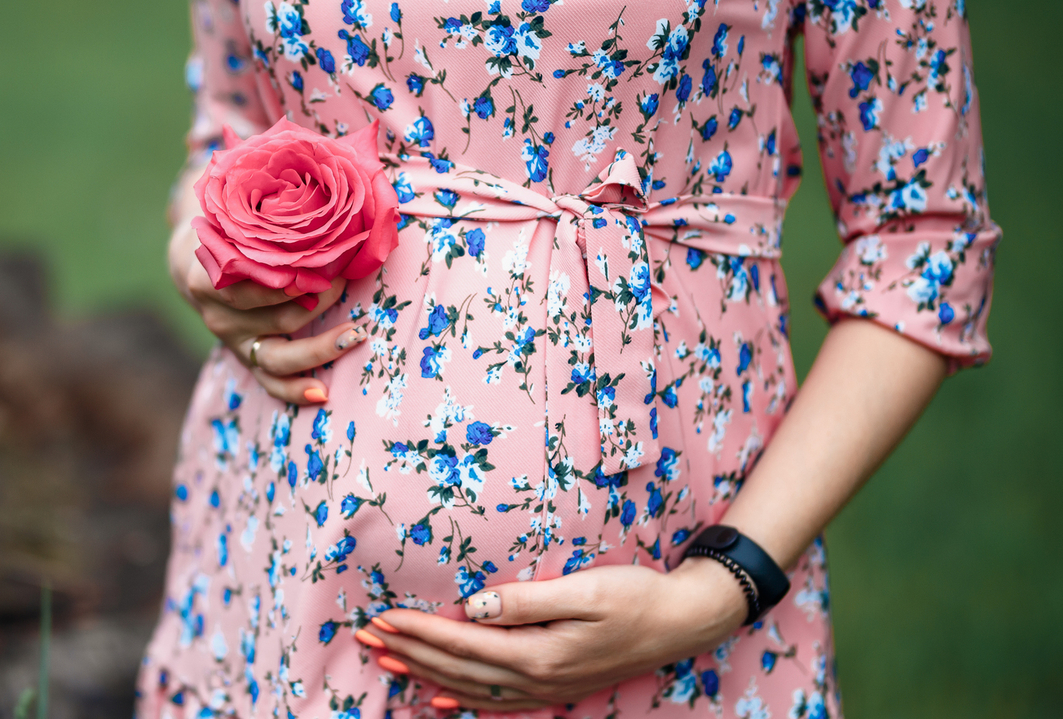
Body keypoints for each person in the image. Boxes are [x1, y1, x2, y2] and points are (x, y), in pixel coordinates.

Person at [138, 0, 999, 716]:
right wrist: (200, 256)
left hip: (671, 606)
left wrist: (715, 591)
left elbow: (921, 245)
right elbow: (230, 122)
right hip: (289, 565)